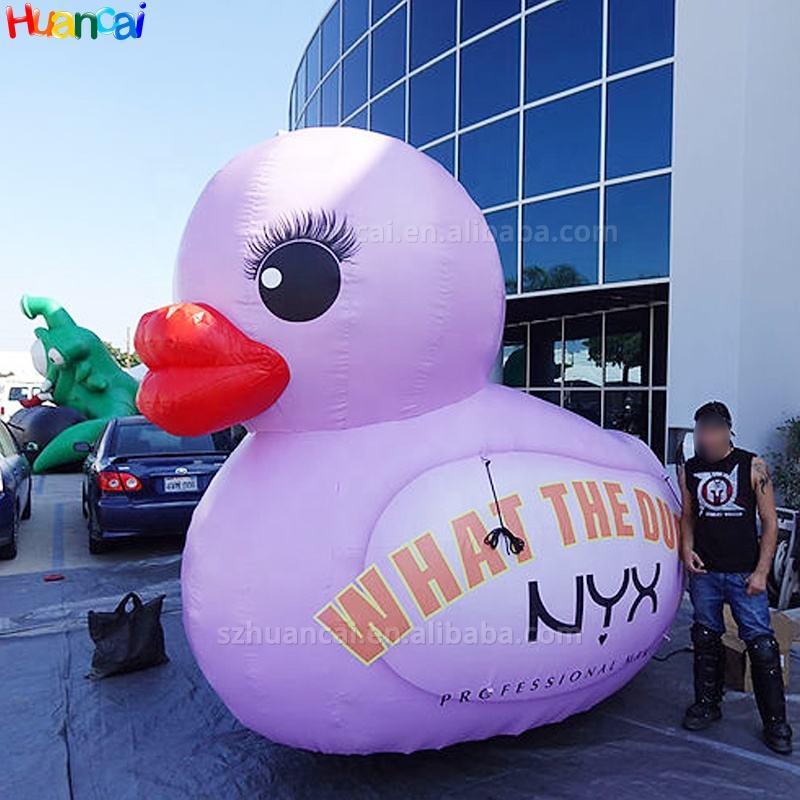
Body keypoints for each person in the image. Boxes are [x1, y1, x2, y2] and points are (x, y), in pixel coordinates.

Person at [678, 401, 792, 754]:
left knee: (761, 645)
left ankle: (776, 723)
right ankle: (707, 704)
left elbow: (770, 521)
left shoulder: (753, 465)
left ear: (727, 432)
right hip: (706, 572)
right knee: (705, 636)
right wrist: (687, 549)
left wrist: (762, 572)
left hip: (745, 573)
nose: (706, 440)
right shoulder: (690, 469)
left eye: (712, 433)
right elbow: (687, 515)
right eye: (700, 433)